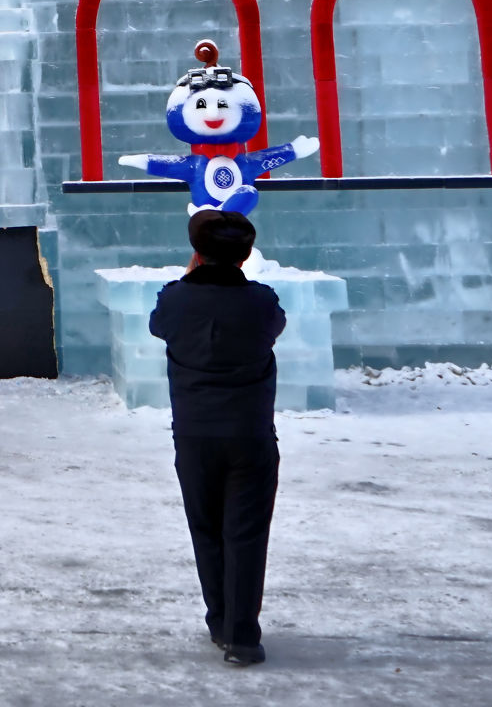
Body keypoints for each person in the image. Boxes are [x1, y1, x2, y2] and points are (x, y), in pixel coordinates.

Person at [148, 209, 287, 666]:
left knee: (206, 531)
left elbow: (159, 324)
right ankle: (242, 636)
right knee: (245, 533)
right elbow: (273, 326)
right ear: (246, 255)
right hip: (250, 435)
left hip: (193, 435)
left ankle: (219, 621)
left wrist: (191, 278)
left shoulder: (174, 300)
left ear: (196, 252)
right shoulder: (262, 302)